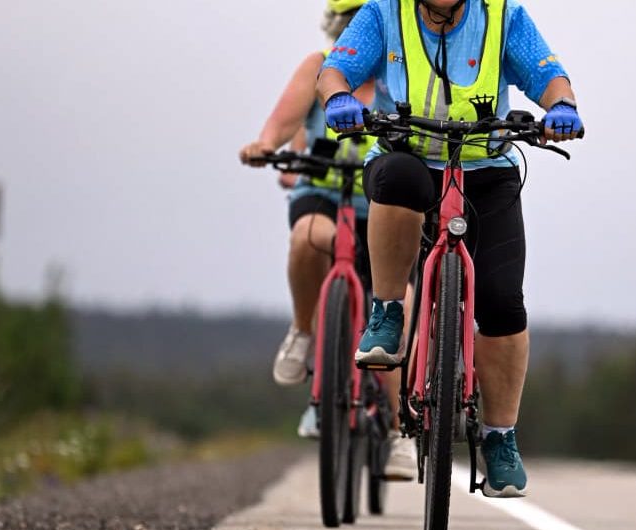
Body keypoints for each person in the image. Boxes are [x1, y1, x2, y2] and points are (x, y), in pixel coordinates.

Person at [316, 0, 584, 497]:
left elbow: (549, 74)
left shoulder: (503, 16)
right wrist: (338, 99)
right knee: (395, 178)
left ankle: (500, 438)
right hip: (407, 156)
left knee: (503, 303)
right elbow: (336, 70)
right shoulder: (385, 13)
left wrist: (561, 107)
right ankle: (389, 311)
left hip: (486, 167)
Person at [239, 0, 417, 480]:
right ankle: (304, 332)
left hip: (382, 206)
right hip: (324, 193)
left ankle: (401, 431)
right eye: (347, 24)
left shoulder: (398, 72)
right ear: (335, 27)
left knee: (401, 301)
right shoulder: (320, 69)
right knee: (305, 239)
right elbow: (287, 117)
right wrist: (267, 144)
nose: (355, 33)